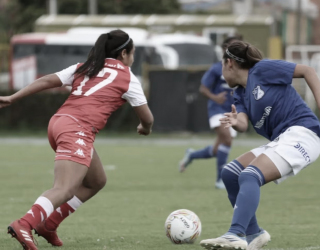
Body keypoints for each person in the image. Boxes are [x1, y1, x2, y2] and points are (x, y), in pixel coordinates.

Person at [1, 29, 154, 250]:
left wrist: (12, 98)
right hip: (77, 129)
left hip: (59, 122)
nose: (133, 57)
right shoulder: (128, 77)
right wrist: (145, 128)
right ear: (123, 55)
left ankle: (49, 225)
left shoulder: (87, 66)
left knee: (96, 180)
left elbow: (47, 80)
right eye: (133, 53)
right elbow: (147, 118)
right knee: (64, 189)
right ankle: (25, 223)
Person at [199, 41, 320, 250]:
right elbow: (242, 124)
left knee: (249, 175)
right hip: (283, 139)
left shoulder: (262, 69)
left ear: (229, 63)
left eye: (222, 65)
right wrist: (234, 120)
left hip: (304, 133)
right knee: (230, 173)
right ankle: (254, 233)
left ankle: (235, 233)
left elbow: (308, 71)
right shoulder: (239, 93)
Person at [178, 36, 242, 189]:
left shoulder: (242, 69)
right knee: (227, 139)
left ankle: (191, 155)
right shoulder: (216, 68)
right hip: (217, 110)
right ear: (224, 51)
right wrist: (215, 97)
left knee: (216, 150)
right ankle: (220, 180)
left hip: (233, 112)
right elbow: (203, 88)